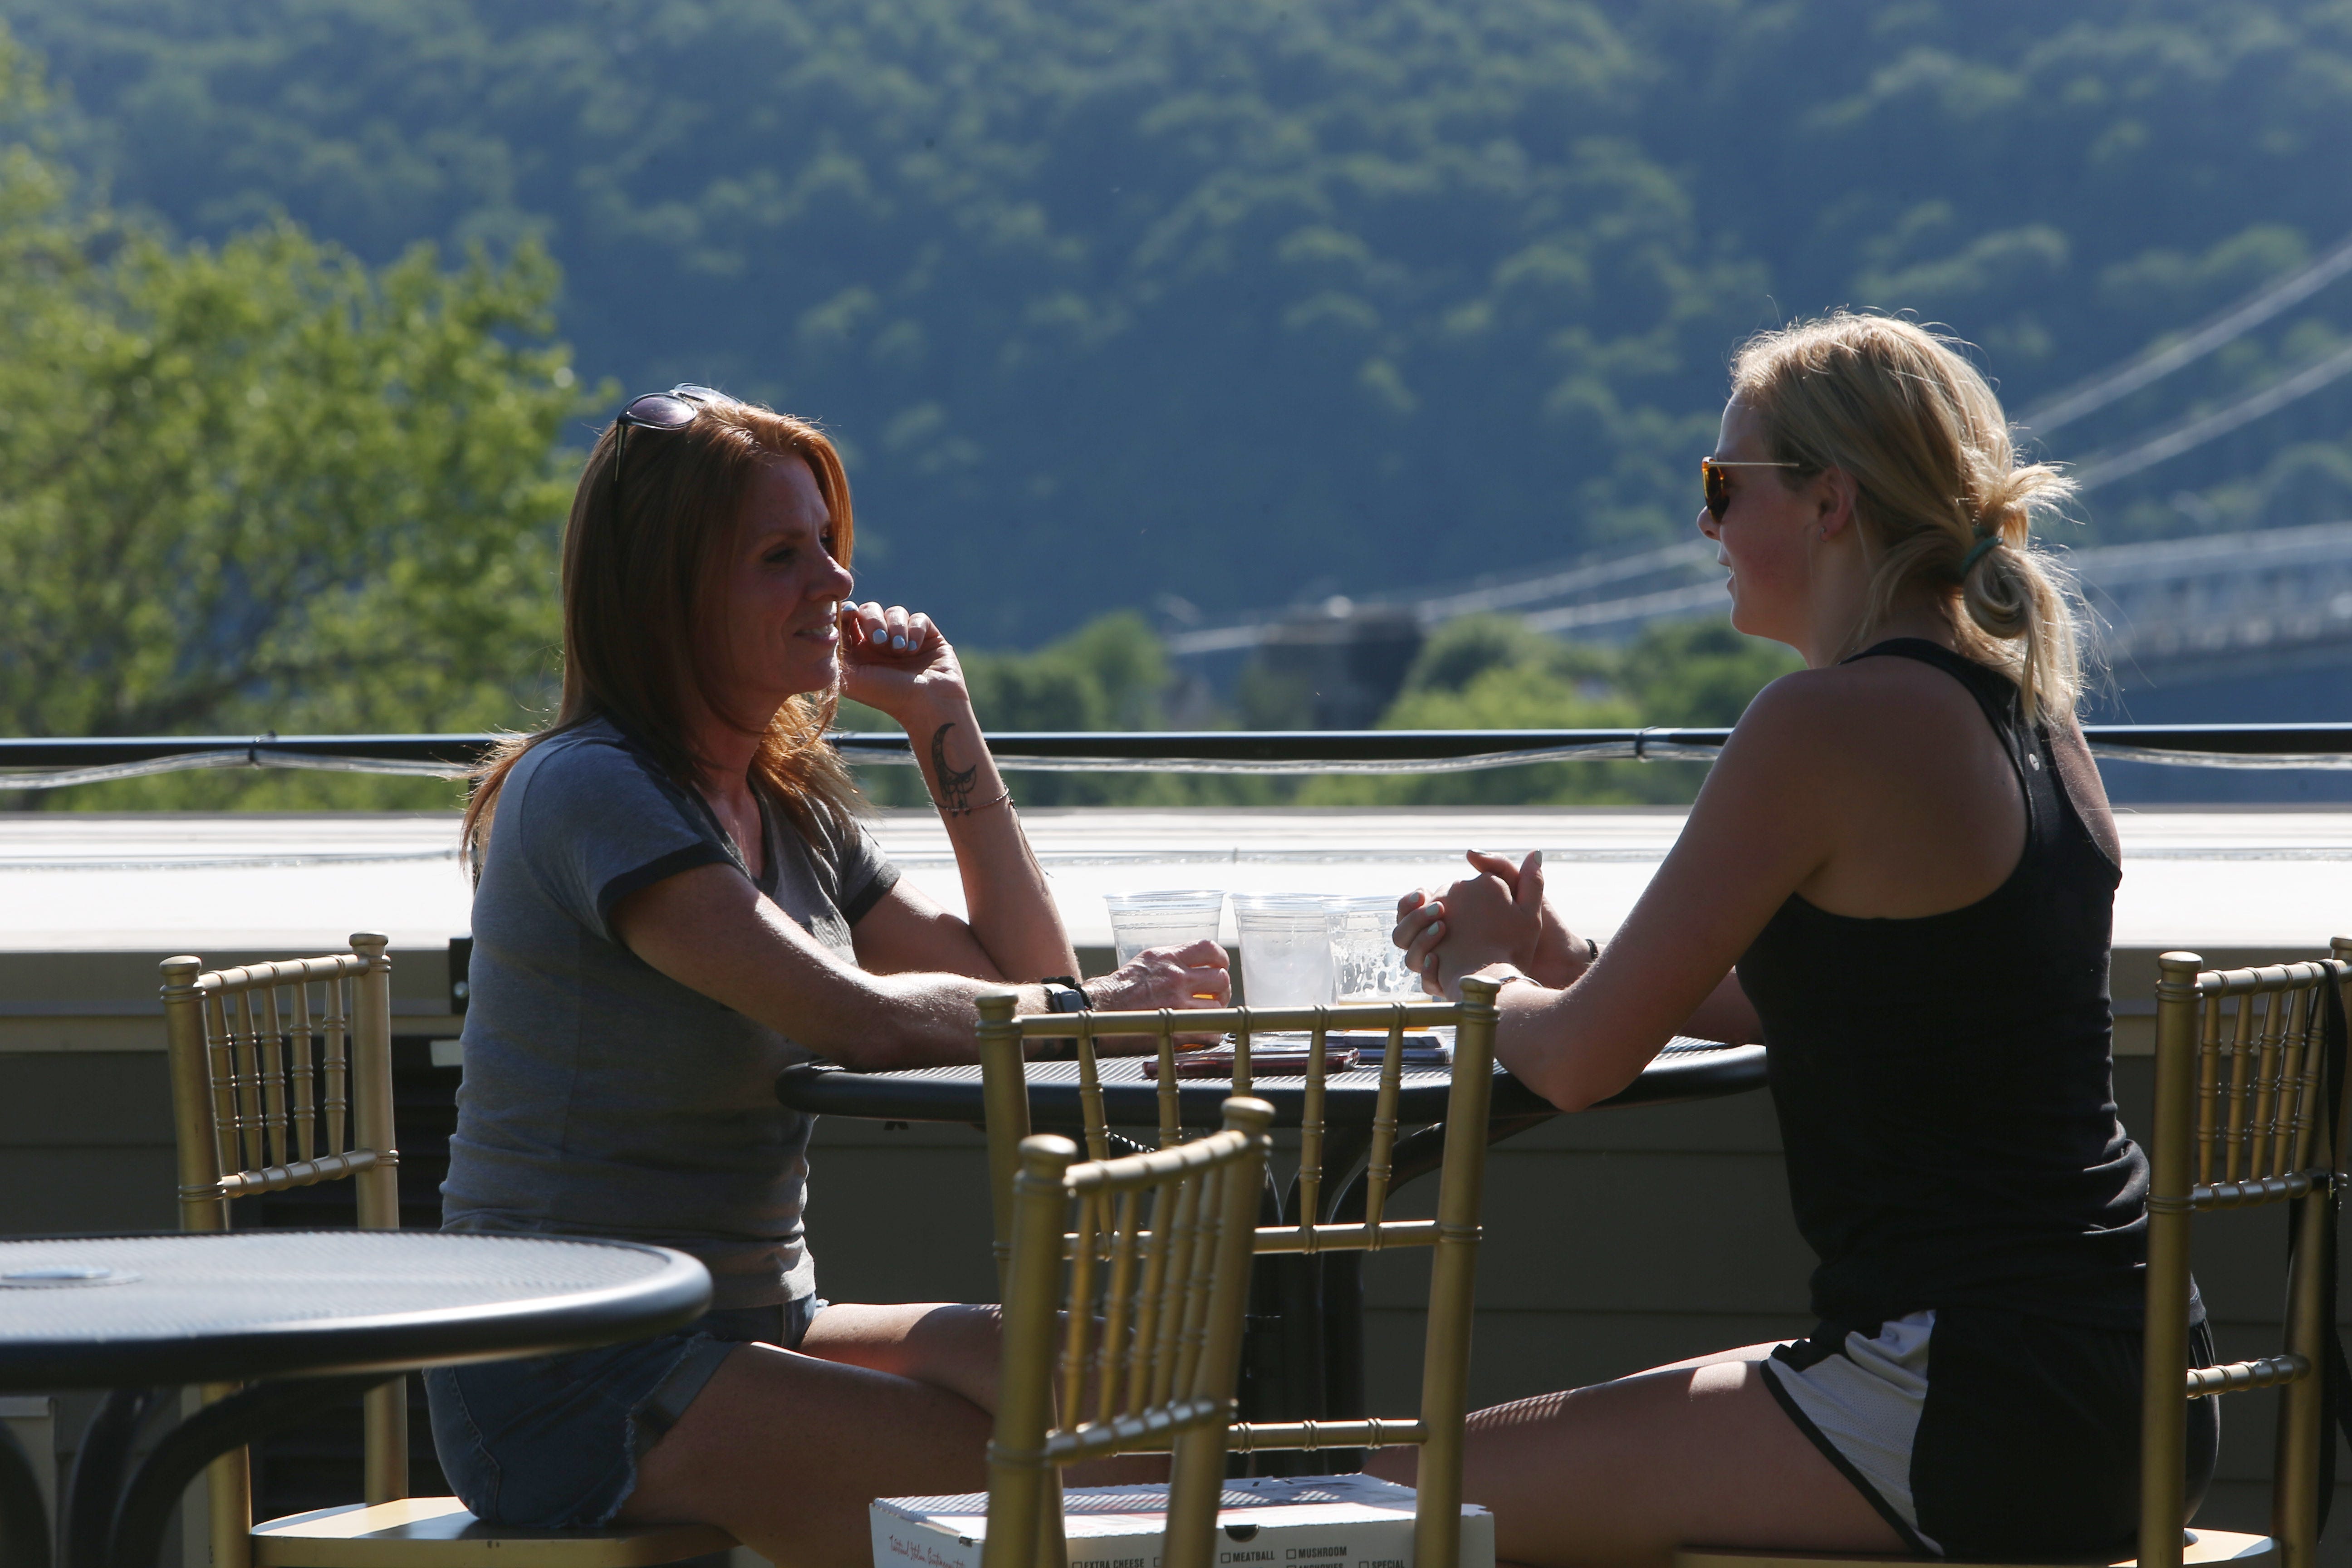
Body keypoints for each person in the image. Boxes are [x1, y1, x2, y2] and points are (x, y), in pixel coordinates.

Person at [1372, 314, 2214, 1566]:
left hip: (1969, 1393)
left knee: (1396, 1505)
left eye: (1724, 485)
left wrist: (1476, 971)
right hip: (2137, 1384)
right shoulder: (2032, 710)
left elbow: (1578, 1066)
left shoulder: (1822, 726)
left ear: (1830, 502)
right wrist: (1571, 965)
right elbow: (1861, 997)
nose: (1703, 522)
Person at [426, 385, 1228, 1568]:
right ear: (665, 597)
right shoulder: (591, 790)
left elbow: (1021, 979)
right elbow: (857, 1018)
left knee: (1120, 1403)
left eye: (829, 544)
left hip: (759, 1322)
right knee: (1037, 1490)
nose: (836, 581)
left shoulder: (784, 803)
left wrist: (944, 722)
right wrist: (1099, 1010)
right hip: (572, 1368)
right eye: (780, 556)